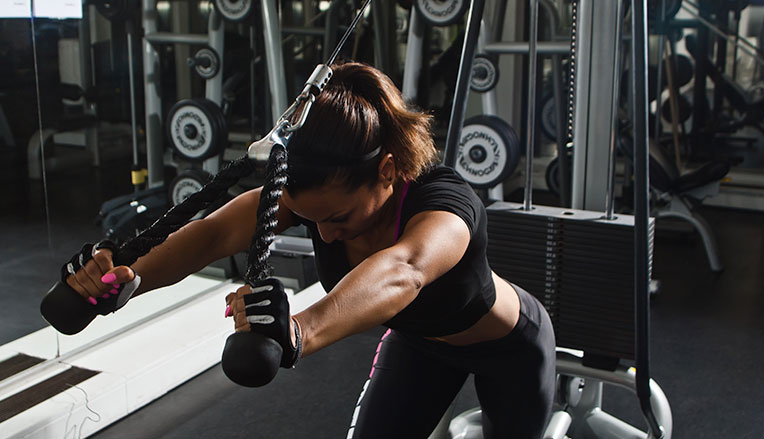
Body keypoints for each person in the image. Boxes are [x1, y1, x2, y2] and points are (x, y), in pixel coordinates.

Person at [62, 62, 556, 438]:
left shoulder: (445, 205)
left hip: (509, 349)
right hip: (417, 345)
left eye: (338, 217)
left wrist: (297, 330)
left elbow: (404, 270)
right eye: (312, 219)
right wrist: (119, 278)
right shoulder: (314, 197)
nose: (325, 235)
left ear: (387, 170)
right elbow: (211, 235)